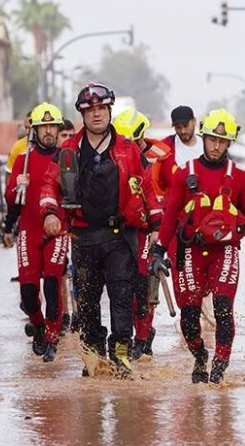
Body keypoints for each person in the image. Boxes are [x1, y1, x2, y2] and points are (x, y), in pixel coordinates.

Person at [40, 83, 162, 377]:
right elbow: (48, 185)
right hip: (82, 236)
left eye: (101, 109)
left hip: (120, 236)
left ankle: (121, 355)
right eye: (89, 110)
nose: (96, 115)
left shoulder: (129, 149)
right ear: (82, 115)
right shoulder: (68, 150)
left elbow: (147, 187)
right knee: (88, 301)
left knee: (122, 296)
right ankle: (94, 355)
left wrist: (157, 226)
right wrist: (49, 213)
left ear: (109, 111)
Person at [152, 109, 245, 384]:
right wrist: (158, 251)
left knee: (222, 307)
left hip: (226, 250)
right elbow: (170, 216)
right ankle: (200, 356)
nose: (216, 146)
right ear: (203, 137)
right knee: (189, 315)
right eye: (211, 140)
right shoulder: (185, 174)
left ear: (229, 143)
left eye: (222, 141)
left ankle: (220, 363)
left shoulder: (241, 177)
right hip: (190, 251)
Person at [4, 102, 68, 362]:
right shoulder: (23, 159)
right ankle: (39, 326)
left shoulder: (66, 157)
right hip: (28, 231)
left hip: (57, 231)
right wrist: (17, 186)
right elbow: (11, 199)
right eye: (44, 127)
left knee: (53, 284)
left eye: (53, 126)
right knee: (29, 292)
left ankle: (53, 337)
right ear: (35, 130)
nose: (49, 132)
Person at [113, 109, 172, 361]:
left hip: (149, 232)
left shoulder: (159, 162)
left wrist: (160, 233)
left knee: (144, 288)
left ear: (140, 139)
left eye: (132, 142)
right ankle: (126, 339)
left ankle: (142, 337)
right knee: (121, 290)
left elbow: (172, 194)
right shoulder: (111, 160)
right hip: (119, 231)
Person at [155, 106, 216, 336]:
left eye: (185, 126)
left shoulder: (210, 145)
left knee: (208, 271)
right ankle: (189, 322)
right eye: (178, 128)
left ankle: (208, 314)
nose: (182, 131)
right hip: (177, 222)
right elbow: (151, 180)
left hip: (208, 221)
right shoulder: (164, 149)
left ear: (194, 122)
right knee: (182, 272)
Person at [57, 118, 77, 333]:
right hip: (58, 223)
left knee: (78, 271)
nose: (68, 140)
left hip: (79, 223)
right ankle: (64, 314)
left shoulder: (79, 157)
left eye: (71, 136)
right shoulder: (55, 160)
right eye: (64, 136)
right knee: (60, 270)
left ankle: (78, 311)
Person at [5, 112, 32, 182]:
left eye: (30, 128)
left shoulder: (50, 146)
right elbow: (9, 175)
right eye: (26, 127)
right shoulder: (17, 146)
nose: (27, 132)